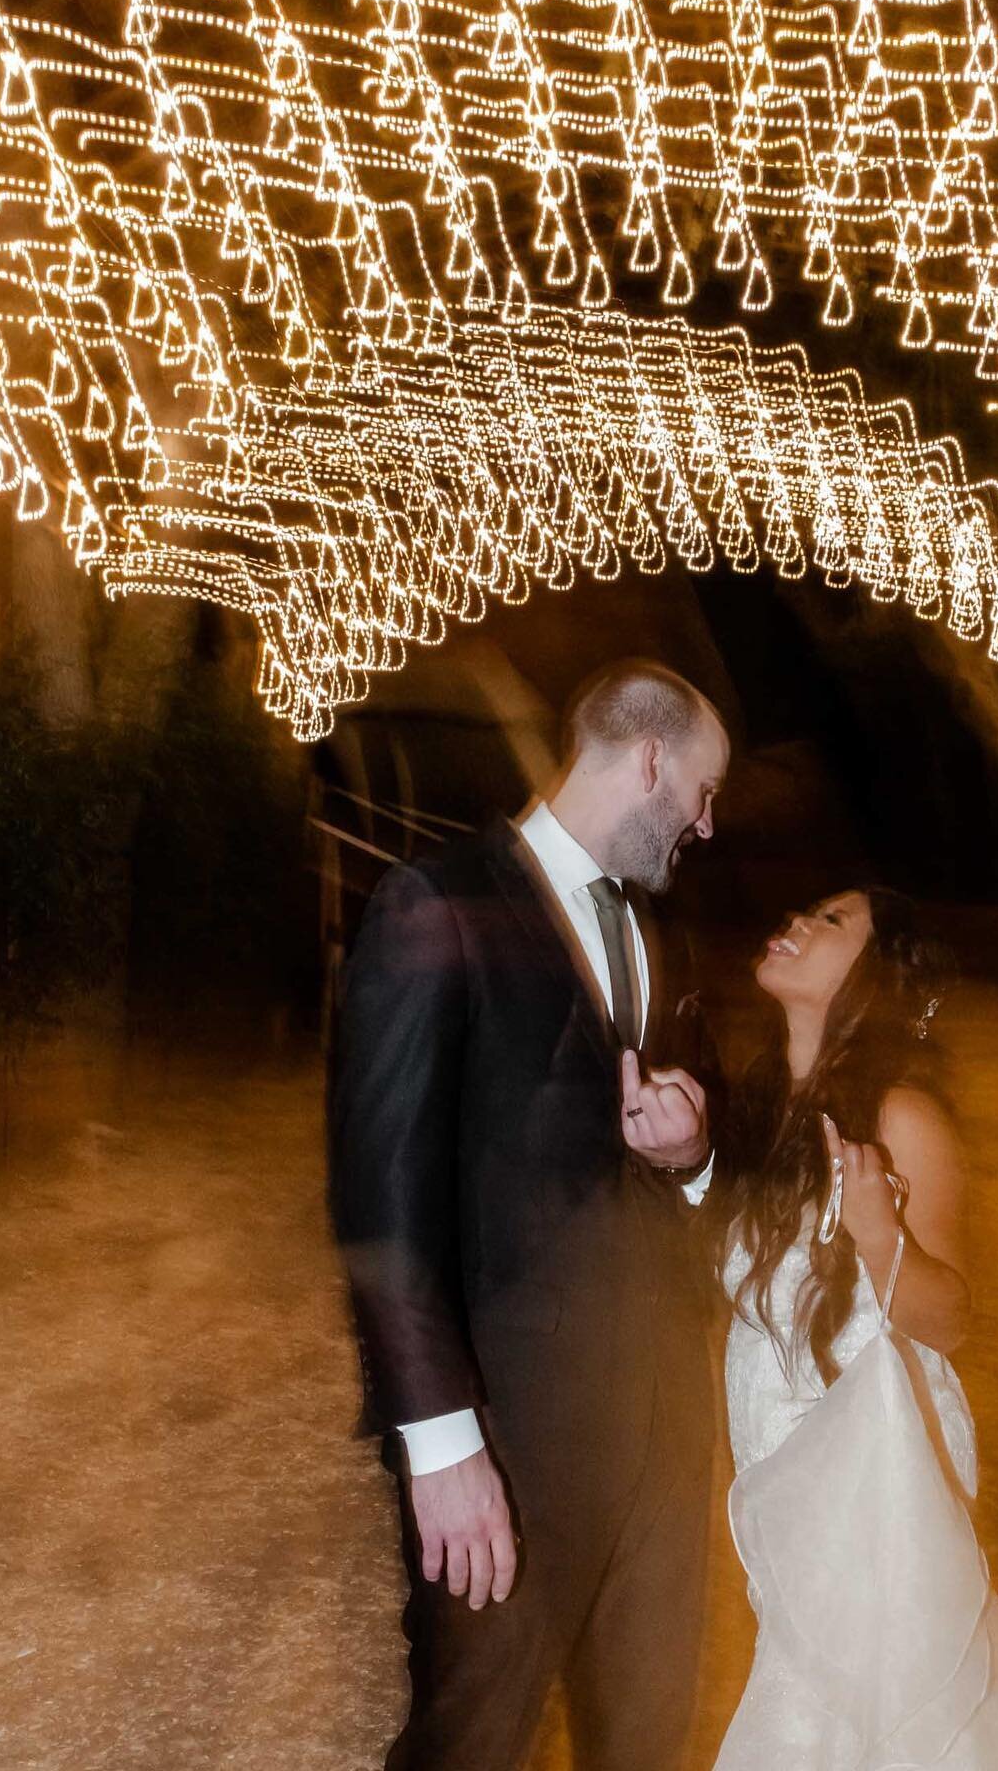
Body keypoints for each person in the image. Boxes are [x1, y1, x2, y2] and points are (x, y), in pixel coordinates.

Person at [328, 660, 730, 1771]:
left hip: (663, 1427)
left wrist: (693, 1152)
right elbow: (382, 1197)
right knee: (477, 1737)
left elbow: (692, 1131)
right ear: (648, 760)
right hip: (512, 1435)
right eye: (701, 791)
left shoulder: (660, 935)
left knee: (647, 1738)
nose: (706, 823)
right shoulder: (437, 904)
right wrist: (442, 1442)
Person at [704, 887, 998, 1770]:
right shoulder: (762, 1108)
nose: (796, 920)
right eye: (806, 910)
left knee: (860, 1725)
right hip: (780, 1469)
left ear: (871, 978)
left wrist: (882, 1241)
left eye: (832, 921)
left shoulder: (903, 1117)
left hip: (875, 1472)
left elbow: (951, 1320)